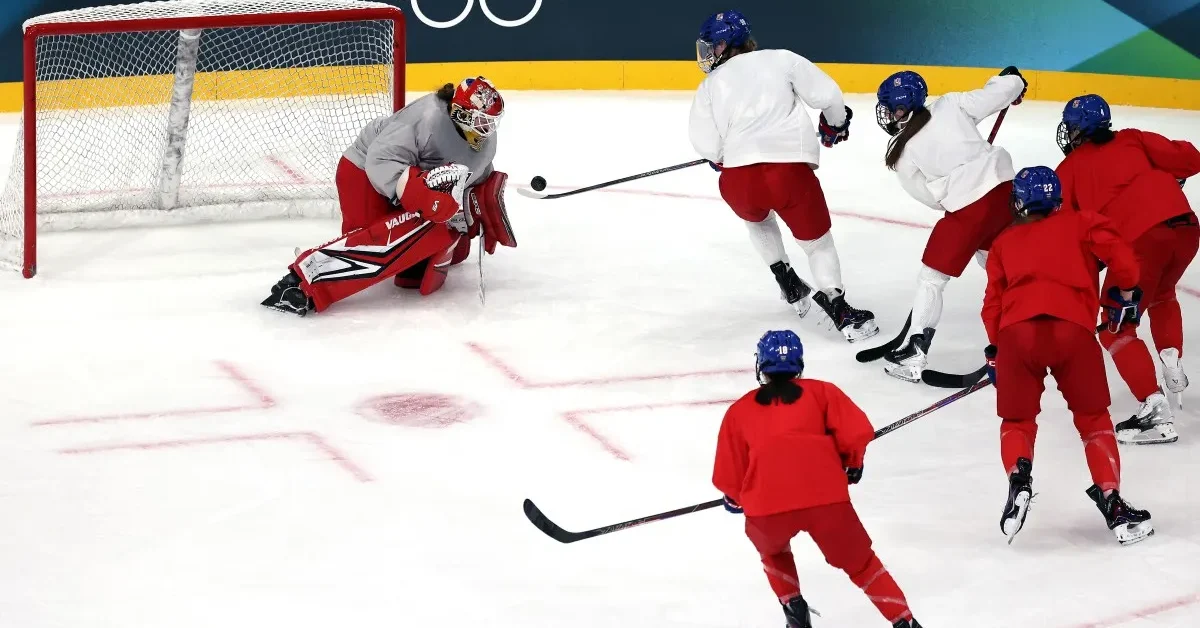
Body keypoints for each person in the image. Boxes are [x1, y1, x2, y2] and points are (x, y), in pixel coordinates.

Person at [982, 166, 1154, 546]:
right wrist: (1126, 294)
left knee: (1018, 420)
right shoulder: (1083, 222)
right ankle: (1113, 503)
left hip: (1016, 334)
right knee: (1093, 420)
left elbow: (991, 307)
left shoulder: (1003, 243)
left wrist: (998, 353)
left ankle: (1019, 478)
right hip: (1072, 331)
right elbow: (1124, 262)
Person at [688, 10, 878, 343]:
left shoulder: (710, 85)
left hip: (738, 181)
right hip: (788, 174)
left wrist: (720, 159)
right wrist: (834, 124)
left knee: (758, 221)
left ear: (725, 44)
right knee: (818, 245)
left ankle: (786, 279)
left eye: (713, 46)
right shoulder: (782, 60)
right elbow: (829, 97)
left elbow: (704, 143)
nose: (709, 54)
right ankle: (840, 309)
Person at [713, 330, 921, 628]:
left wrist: (734, 497)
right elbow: (856, 432)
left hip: (768, 505)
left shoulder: (739, 411)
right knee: (862, 564)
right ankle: (903, 621)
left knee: (772, 551)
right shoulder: (823, 392)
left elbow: (729, 471)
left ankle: (793, 608)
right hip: (827, 499)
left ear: (761, 365)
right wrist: (852, 463)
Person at [261, 77, 517, 316]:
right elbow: (380, 161)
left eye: (492, 121)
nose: (489, 128)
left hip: (417, 184)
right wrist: (421, 197)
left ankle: (411, 255)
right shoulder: (424, 120)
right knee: (376, 242)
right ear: (461, 113)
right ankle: (306, 281)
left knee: (450, 249)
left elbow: (477, 171)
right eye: (483, 120)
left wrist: (478, 198)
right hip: (364, 173)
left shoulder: (485, 138)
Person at [1055, 93, 1200, 444]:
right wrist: (1167, 168)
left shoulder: (1069, 170)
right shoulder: (1133, 137)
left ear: (1075, 131)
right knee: (1162, 293)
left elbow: (1067, 236)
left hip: (1139, 246)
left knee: (1114, 328)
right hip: (1186, 231)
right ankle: (1171, 361)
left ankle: (1155, 413)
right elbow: (1192, 158)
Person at [872, 68, 1027, 382]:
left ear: (900, 109)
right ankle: (1034, 331)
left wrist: (959, 191)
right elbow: (1002, 92)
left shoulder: (903, 155)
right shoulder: (950, 104)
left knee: (931, 279)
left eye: (891, 107)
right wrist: (1012, 80)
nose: (887, 113)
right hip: (1005, 195)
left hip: (968, 212)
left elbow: (932, 200)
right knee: (1003, 270)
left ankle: (915, 351)